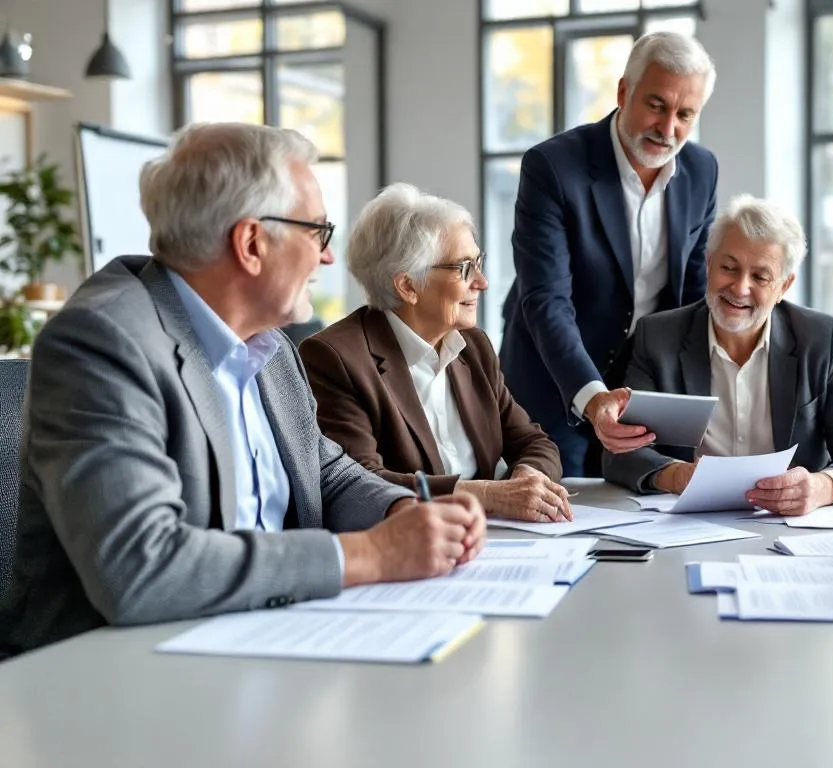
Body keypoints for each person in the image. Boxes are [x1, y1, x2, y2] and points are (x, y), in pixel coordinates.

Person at [0, 123, 486, 657]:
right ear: (252, 243)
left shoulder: (269, 344)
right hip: (114, 674)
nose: (328, 258)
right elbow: (139, 568)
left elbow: (325, 472)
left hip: (266, 641)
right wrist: (370, 555)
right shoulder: (103, 341)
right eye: (318, 233)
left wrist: (401, 514)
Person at [499, 30, 720, 477]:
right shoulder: (554, 167)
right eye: (656, 105)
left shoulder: (701, 171)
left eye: (685, 114)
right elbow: (546, 300)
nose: (668, 128)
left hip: (641, 390)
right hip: (553, 383)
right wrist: (592, 394)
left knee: (651, 510)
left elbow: (696, 296)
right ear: (624, 92)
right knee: (560, 513)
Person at [300, 183, 570, 523]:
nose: (482, 282)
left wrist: (528, 478)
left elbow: (534, 441)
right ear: (408, 286)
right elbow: (361, 483)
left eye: (479, 262)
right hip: (408, 548)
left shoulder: (474, 347)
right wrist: (487, 495)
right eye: (465, 268)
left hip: (495, 540)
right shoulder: (335, 357)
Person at [604, 195, 833, 514]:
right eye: (728, 268)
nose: (740, 288)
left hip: (786, 524)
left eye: (760, 277)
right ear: (709, 264)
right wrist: (678, 476)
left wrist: (824, 487)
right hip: (688, 522)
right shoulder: (659, 337)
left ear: (784, 286)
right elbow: (620, 452)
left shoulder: (820, 339)